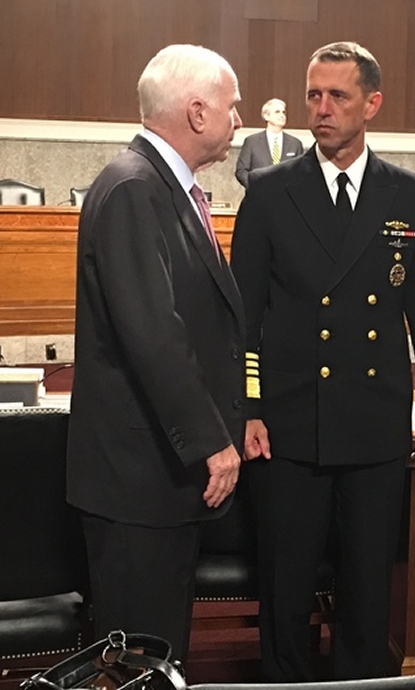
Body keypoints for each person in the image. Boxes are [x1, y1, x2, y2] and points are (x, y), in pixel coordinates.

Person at [230, 41, 415, 681]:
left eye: (338, 96)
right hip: (288, 428)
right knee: (286, 595)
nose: (321, 110)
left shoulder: (408, 196)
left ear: (372, 105)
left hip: (373, 426)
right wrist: (246, 407)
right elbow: (244, 318)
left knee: (365, 597)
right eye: (313, 95)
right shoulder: (269, 193)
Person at [66, 44, 245, 662]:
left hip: (156, 481)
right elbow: (153, 335)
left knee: (158, 655)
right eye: (232, 106)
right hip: (137, 483)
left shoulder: (162, 187)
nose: (238, 121)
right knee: (139, 661)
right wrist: (211, 441)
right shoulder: (135, 189)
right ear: (197, 112)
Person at [234, 98, 304, 188]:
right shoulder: (252, 142)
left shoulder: (295, 144)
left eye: (283, 112)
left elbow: (301, 172)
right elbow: (241, 171)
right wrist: (255, 186)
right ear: (266, 116)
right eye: (277, 112)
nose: (282, 115)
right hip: (258, 197)